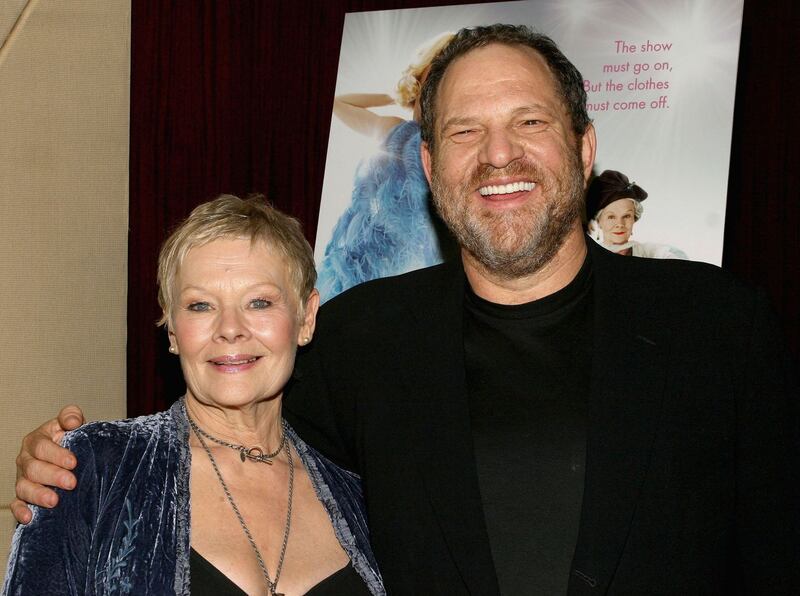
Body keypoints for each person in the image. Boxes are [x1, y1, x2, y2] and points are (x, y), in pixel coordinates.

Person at [11, 24, 799, 595]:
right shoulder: (359, 337)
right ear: (427, 164)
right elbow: (229, 424)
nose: (499, 154)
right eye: (465, 131)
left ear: (585, 145)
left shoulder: (723, 328)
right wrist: (70, 464)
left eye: (529, 122)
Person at [4, 195, 383, 595]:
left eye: (259, 302)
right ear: (172, 331)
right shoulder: (96, 469)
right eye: (201, 306)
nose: (230, 328)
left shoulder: (360, 496)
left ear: (306, 319)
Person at [317, 33, 455, 302]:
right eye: (433, 75)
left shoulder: (454, 141)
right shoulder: (396, 130)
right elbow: (339, 102)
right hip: (363, 256)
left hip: (421, 264)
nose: (437, 86)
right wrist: (398, 94)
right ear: (418, 81)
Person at [585, 169, 688, 258]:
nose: (620, 224)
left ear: (635, 217)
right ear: (598, 221)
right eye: (611, 217)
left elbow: (678, 261)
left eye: (626, 216)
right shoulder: (590, 257)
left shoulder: (647, 253)